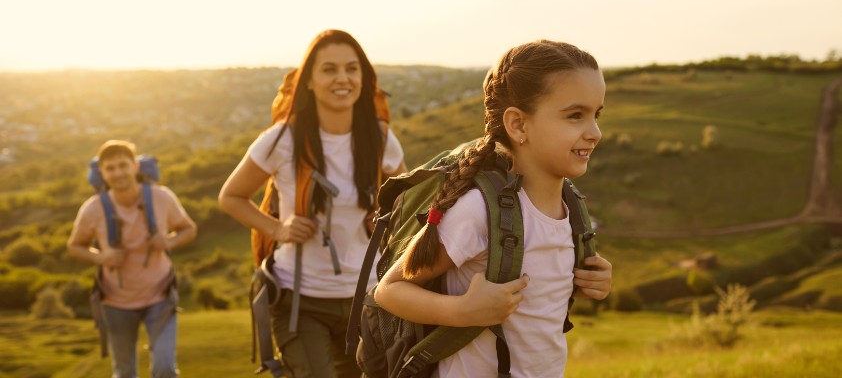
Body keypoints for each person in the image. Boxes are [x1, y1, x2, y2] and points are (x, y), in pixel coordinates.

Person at [374, 40, 613, 377]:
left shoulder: (571, 208)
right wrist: (463, 311)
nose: (595, 132)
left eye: (596, 114)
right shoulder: (479, 211)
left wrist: (592, 281)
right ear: (518, 125)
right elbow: (389, 290)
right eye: (575, 116)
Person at [218, 29, 407, 378]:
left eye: (351, 69)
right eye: (329, 69)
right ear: (308, 80)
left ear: (364, 78)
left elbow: (407, 202)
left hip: (368, 297)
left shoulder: (380, 137)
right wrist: (278, 228)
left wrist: (387, 217)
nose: (342, 78)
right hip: (299, 300)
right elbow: (231, 196)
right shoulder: (283, 139)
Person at [67, 140, 197, 378]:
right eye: (110, 168)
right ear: (102, 173)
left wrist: (168, 242)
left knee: (165, 369)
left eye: (123, 165)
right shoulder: (92, 208)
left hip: (160, 296)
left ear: (135, 166)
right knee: (124, 373)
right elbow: (75, 246)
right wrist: (102, 257)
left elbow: (188, 229)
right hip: (115, 302)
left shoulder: (161, 197)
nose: (118, 173)